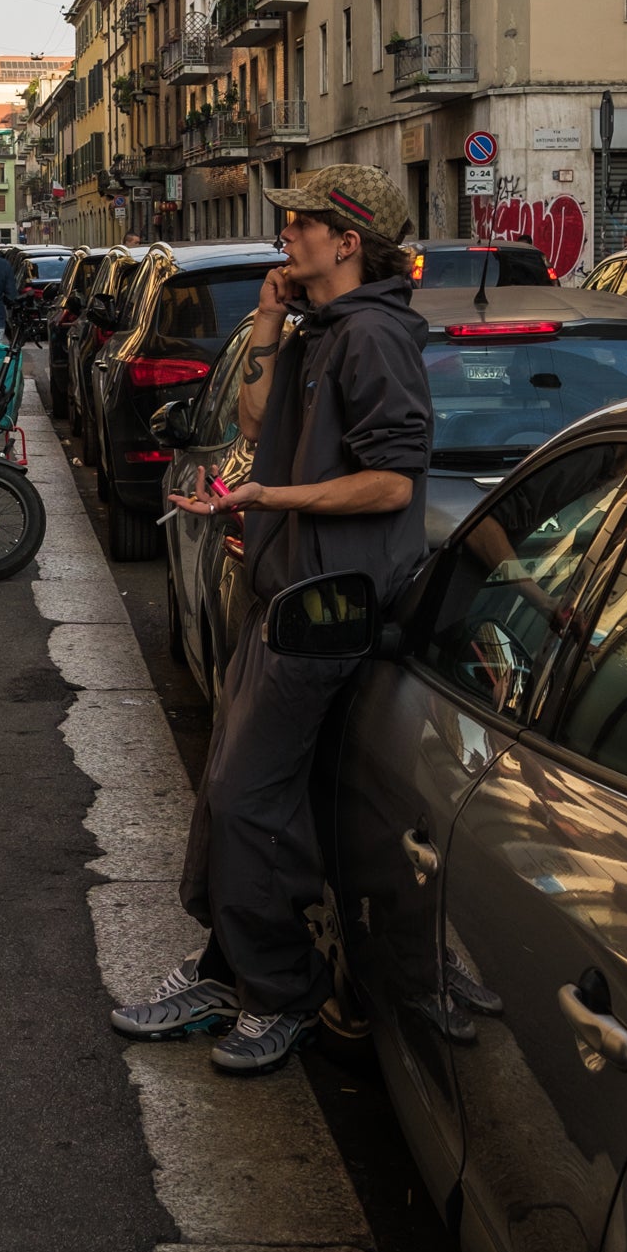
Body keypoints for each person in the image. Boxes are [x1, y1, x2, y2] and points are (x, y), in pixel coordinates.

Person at [111, 165, 431, 1075]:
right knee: (226, 791)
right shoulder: (318, 329)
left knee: (249, 799)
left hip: (328, 608)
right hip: (284, 594)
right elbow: (254, 413)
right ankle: (224, 968)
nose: (286, 234)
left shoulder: (373, 338)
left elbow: (395, 480)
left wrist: (272, 496)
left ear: (349, 242)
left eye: (305, 224)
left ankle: (283, 994)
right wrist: (265, 318)